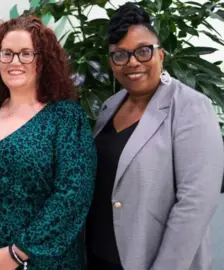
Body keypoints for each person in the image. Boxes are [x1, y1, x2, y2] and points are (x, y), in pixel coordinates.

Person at [0, 16, 96, 270]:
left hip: (42, 262)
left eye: (26, 54)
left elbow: (72, 196)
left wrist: (17, 253)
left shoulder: (66, 117)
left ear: (42, 61)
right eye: (7, 54)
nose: (14, 62)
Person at [85, 3, 224, 270]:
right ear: (111, 63)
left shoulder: (190, 107)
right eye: (120, 55)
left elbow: (195, 205)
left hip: (149, 261)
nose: (133, 62)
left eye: (143, 51)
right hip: (100, 256)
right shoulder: (110, 106)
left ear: (161, 54)